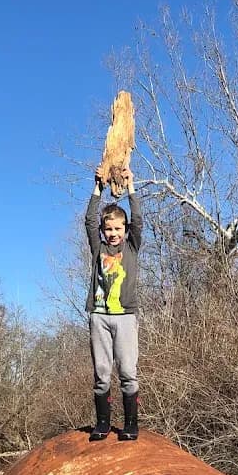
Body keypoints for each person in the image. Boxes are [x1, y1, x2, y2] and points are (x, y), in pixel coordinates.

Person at [85, 163, 142, 441]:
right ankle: (103, 423)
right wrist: (98, 187)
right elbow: (88, 219)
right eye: (108, 229)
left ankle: (131, 424)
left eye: (118, 228)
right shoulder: (99, 248)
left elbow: (139, 220)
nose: (113, 233)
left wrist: (131, 187)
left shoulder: (131, 247)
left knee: (128, 371)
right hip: (99, 316)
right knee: (102, 373)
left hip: (125, 316)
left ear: (125, 229)